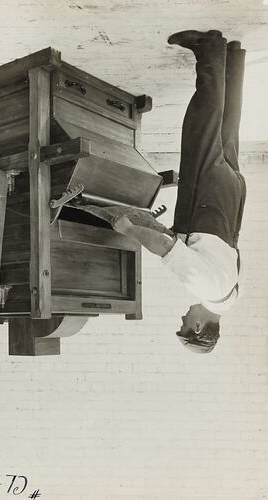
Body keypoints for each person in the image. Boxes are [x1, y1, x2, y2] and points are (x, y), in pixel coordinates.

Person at [110, 30, 247, 353]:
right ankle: (209, 49)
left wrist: (167, 226)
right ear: (199, 327)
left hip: (230, 198)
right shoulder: (201, 287)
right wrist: (128, 228)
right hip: (207, 199)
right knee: (202, 124)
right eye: (184, 324)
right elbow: (165, 247)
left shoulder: (230, 297)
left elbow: (205, 248)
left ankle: (232, 58)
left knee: (227, 129)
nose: (183, 316)